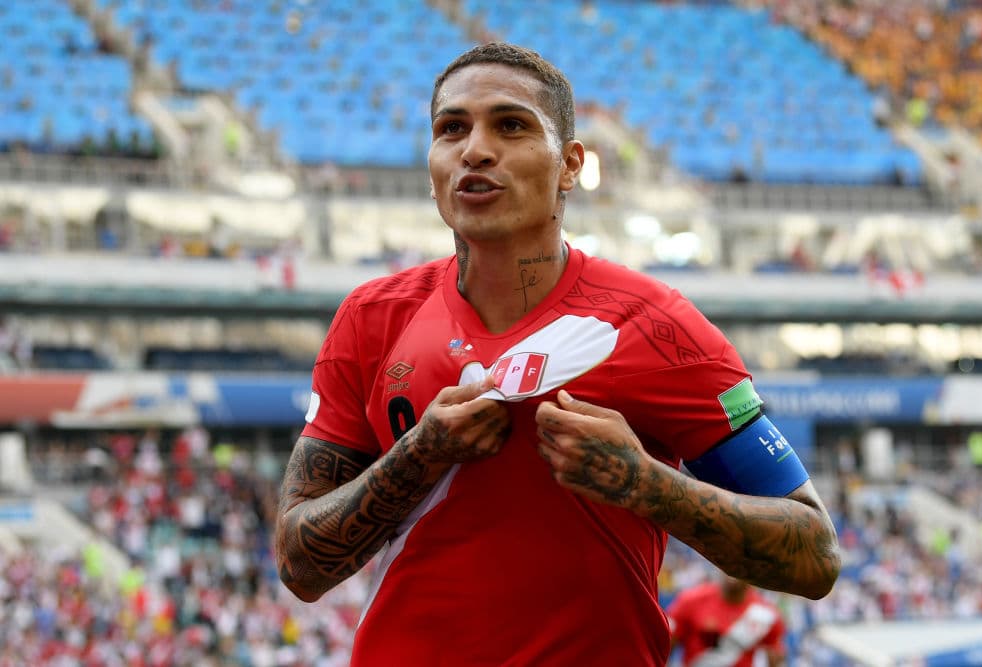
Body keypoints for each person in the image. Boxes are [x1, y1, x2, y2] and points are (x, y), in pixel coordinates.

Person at [274, 42, 840, 666]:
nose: (475, 149)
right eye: (451, 129)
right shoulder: (372, 318)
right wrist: (418, 457)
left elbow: (816, 554)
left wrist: (647, 483)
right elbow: (300, 566)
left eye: (510, 125)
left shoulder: (657, 324)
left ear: (570, 164)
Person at [667, 573, 787, 667]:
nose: (735, 570)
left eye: (744, 564)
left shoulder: (766, 614)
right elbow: (665, 647)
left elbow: (776, 658)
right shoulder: (690, 601)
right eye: (731, 561)